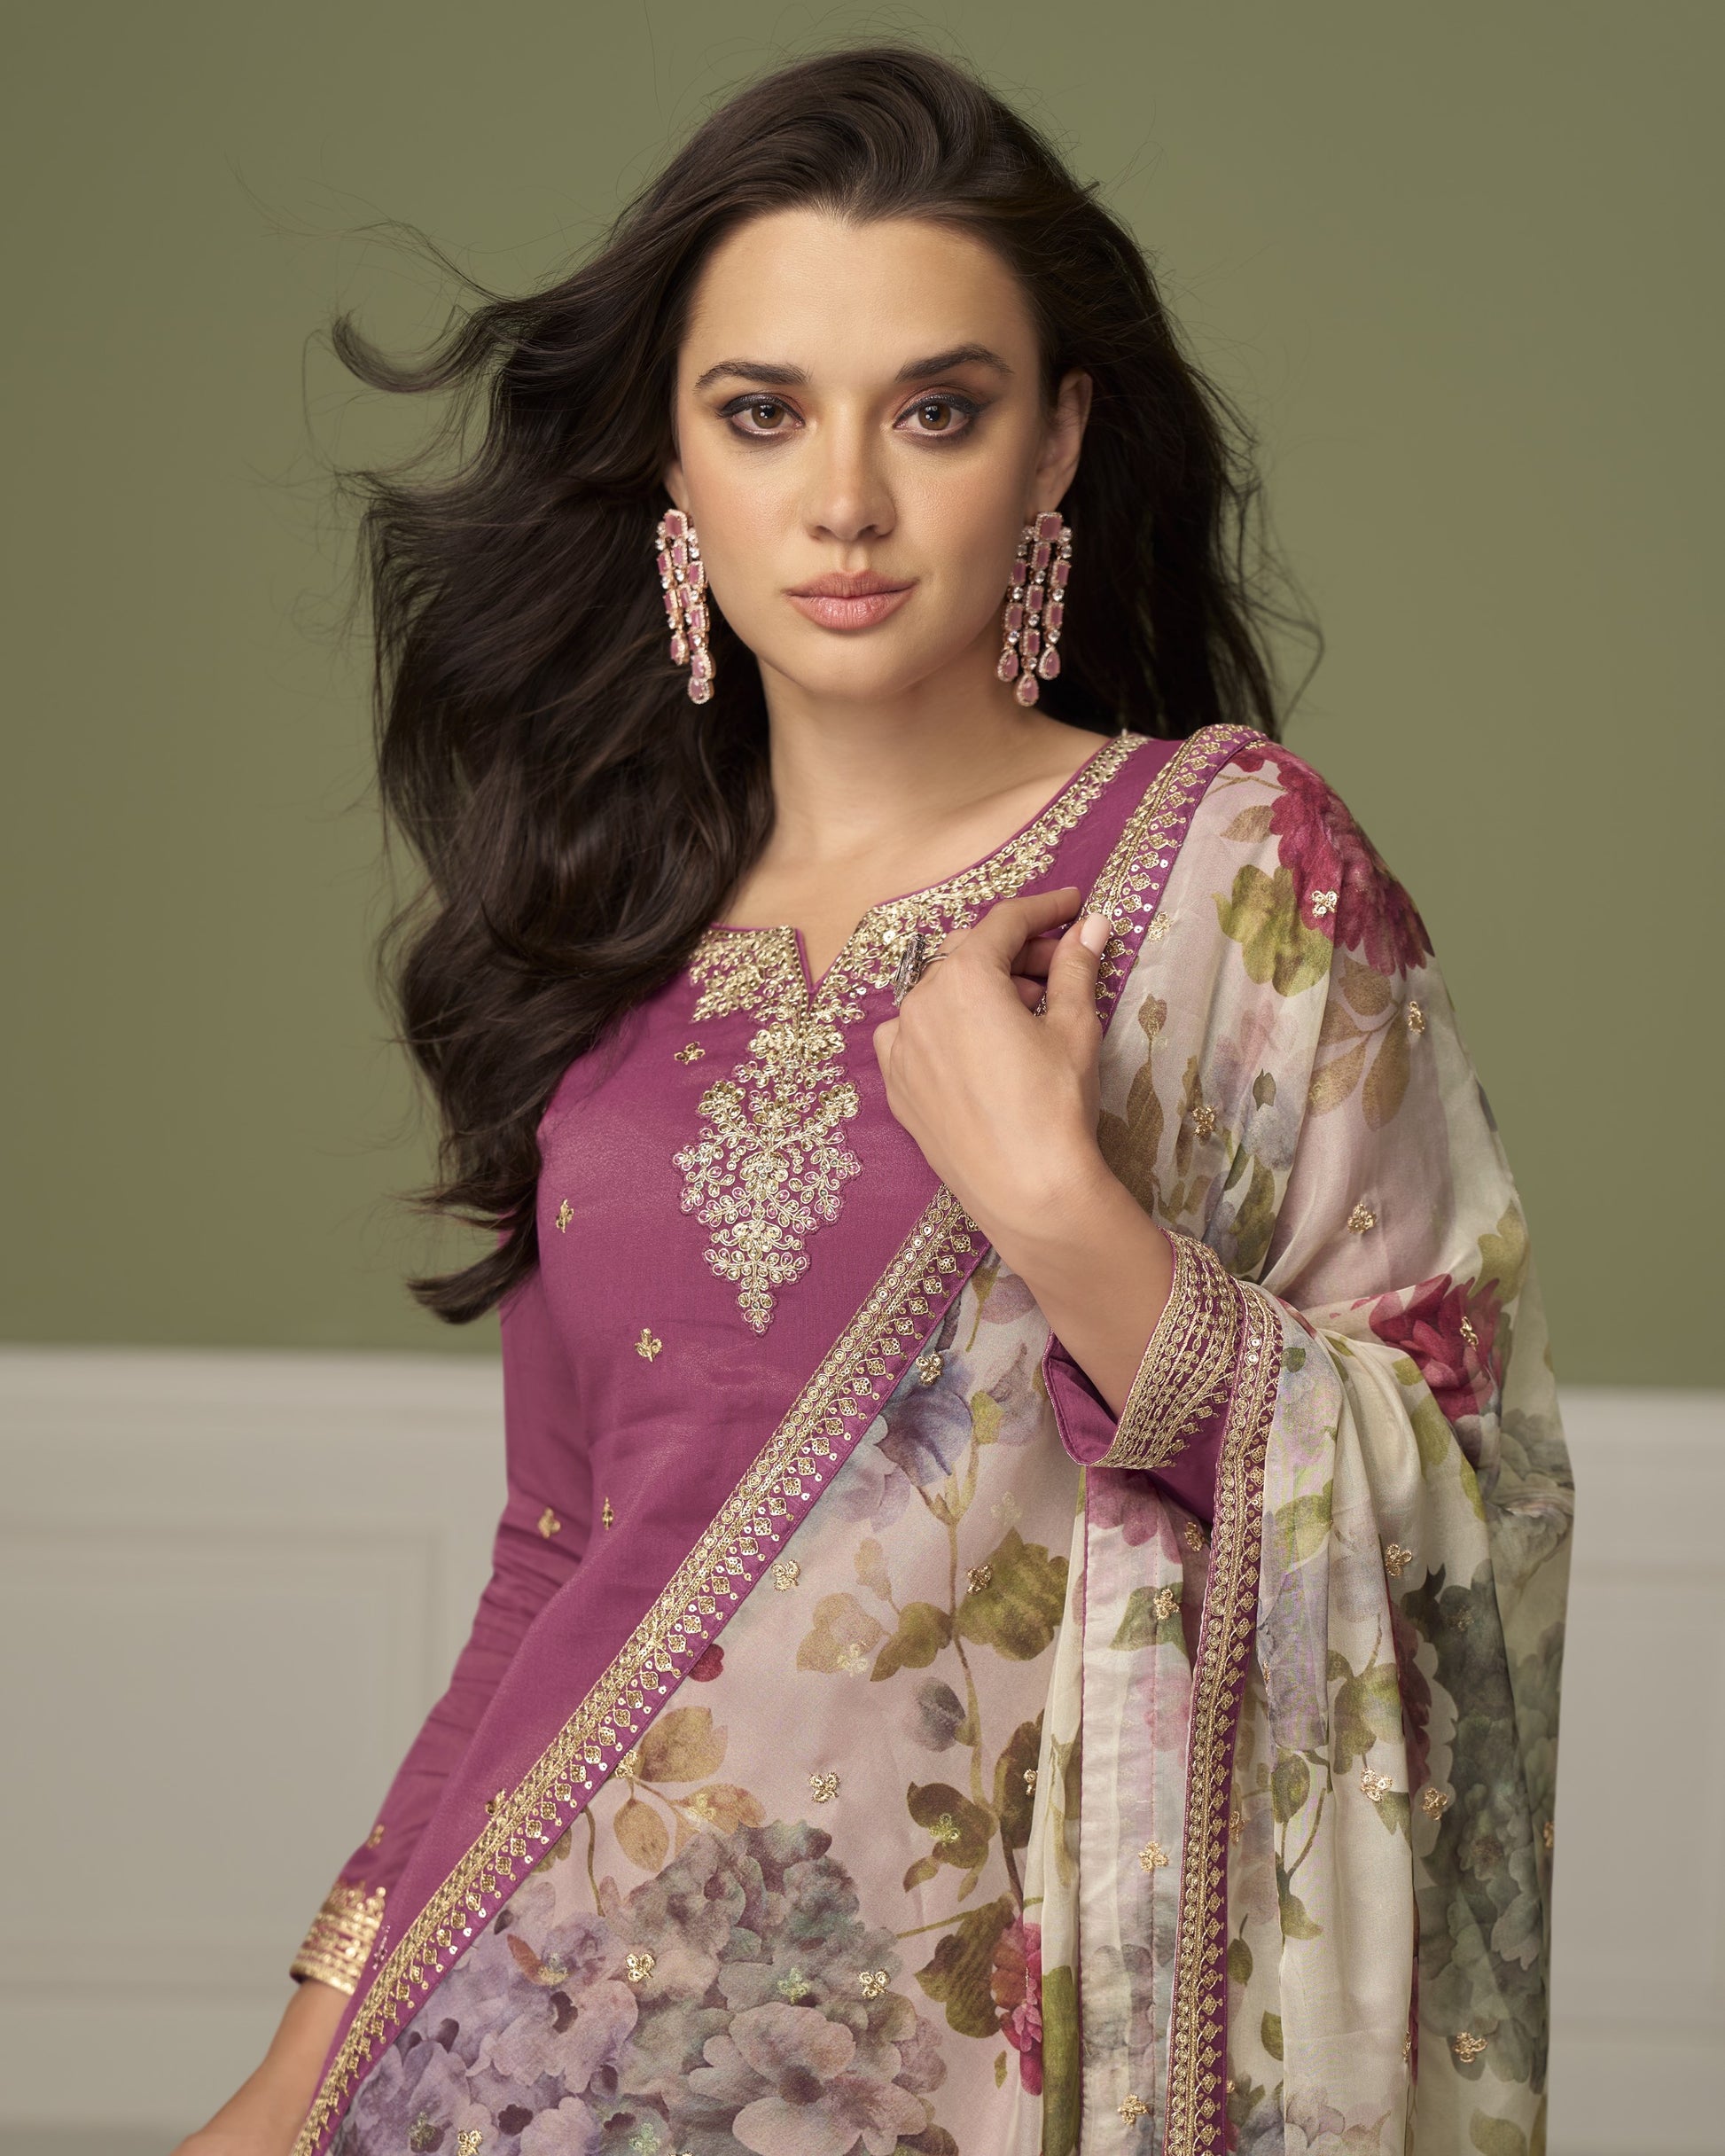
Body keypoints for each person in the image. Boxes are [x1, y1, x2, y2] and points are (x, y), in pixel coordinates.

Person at [179, 45, 1572, 2156]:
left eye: (937, 409)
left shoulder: (1227, 872)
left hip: (980, 2071)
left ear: (1056, 446)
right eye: (764, 413)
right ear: (675, 459)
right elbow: (555, 1561)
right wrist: (299, 2068)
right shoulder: (602, 943)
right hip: (530, 2065)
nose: (844, 500)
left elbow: (1454, 1497)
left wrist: (1057, 1203)